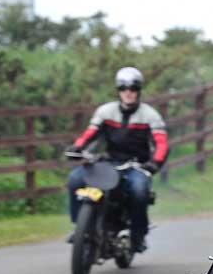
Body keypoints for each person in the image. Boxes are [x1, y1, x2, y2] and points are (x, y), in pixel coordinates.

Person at [66, 67, 169, 252]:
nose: (128, 92)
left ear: (139, 90)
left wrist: (154, 164)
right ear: (118, 90)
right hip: (107, 162)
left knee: (139, 191)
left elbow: (161, 144)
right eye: (124, 88)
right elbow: (89, 134)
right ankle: (79, 227)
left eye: (133, 88)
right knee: (75, 179)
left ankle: (137, 236)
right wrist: (77, 147)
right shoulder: (105, 111)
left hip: (136, 165)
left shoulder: (150, 115)